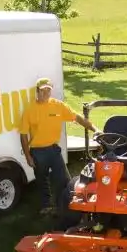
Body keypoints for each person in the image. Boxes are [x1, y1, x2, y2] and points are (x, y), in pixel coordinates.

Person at [19, 77, 101, 215]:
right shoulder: (29, 110)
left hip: (53, 149)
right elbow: (23, 135)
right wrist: (28, 156)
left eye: (48, 90)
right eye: (43, 90)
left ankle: (64, 204)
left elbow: (78, 118)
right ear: (37, 91)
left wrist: (95, 129)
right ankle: (46, 206)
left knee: (63, 179)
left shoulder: (58, 105)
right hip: (37, 152)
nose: (46, 93)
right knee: (42, 180)